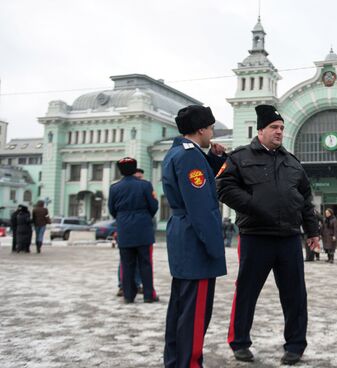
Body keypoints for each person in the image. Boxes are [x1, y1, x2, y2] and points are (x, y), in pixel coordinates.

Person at [217, 104, 320, 365]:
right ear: (260, 130)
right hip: (255, 236)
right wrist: (253, 205)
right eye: (274, 127)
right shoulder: (239, 158)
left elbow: (306, 200)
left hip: (288, 238)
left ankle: (295, 346)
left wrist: (312, 231)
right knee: (247, 293)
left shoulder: (293, 163)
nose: (279, 132)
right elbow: (224, 187)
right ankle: (240, 342)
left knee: (295, 295)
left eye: (282, 128)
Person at [162, 105, 228, 368]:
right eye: (211, 128)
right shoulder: (190, 157)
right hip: (195, 240)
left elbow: (195, 184)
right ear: (201, 129)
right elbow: (201, 206)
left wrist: (213, 159)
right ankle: (189, 363)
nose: (212, 133)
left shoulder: (179, 152)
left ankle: (176, 361)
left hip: (183, 235)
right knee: (195, 313)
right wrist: (215, 246)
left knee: (181, 308)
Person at [108, 157, 159, 305]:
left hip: (124, 229)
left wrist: (123, 218)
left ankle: (128, 295)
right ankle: (148, 294)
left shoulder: (114, 188)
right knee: (146, 263)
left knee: (127, 263)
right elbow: (153, 206)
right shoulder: (145, 185)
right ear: (135, 168)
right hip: (143, 228)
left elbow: (112, 209)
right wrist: (144, 216)